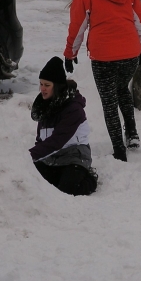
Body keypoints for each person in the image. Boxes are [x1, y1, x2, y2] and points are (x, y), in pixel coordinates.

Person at [63, 0, 141, 162]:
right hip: (130, 54)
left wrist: (69, 54)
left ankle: (119, 152)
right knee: (122, 88)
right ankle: (131, 134)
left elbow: (77, 28)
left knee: (109, 102)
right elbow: (139, 22)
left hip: (103, 57)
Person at [29, 56, 97, 196]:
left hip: (74, 157)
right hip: (52, 158)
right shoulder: (45, 105)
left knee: (66, 189)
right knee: (31, 180)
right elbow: (41, 140)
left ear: (57, 86)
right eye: (41, 84)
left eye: (47, 85)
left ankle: (89, 178)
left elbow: (57, 141)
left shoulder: (73, 109)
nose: (42, 89)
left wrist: (27, 155)